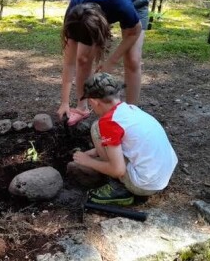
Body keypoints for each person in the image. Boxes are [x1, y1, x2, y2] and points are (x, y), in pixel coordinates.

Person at [58, 0, 150, 126]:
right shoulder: (74, 16)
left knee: (132, 59)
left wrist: (110, 62)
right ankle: (81, 108)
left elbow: (133, 32)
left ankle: (131, 115)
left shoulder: (121, 5)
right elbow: (69, 62)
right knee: (83, 58)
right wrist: (64, 102)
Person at [72, 73, 177, 206]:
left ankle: (117, 186)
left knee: (96, 127)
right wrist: (95, 152)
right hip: (162, 174)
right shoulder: (131, 110)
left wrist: (87, 161)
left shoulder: (109, 122)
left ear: (94, 101)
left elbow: (118, 170)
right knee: (100, 130)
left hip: (144, 185)